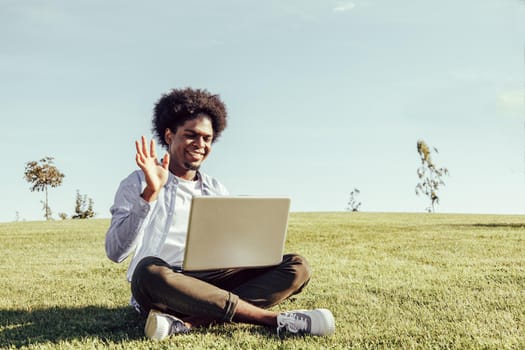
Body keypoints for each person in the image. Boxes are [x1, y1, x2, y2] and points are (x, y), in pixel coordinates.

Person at [105, 87, 335, 340]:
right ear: (169, 136)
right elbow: (116, 252)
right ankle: (273, 320)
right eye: (191, 135)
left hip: (211, 282)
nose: (200, 145)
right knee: (148, 269)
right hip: (163, 283)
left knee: (296, 266)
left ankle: (189, 324)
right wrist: (150, 193)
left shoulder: (216, 188)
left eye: (207, 138)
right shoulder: (136, 183)